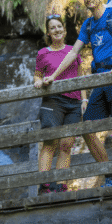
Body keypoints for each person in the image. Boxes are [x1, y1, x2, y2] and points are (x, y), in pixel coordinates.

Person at [43, 0, 112, 187]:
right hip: (99, 79)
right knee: (86, 128)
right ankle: (109, 172)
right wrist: (54, 75)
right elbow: (73, 53)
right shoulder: (88, 25)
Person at [33, 14, 88, 193]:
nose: (56, 30)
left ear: (64, 30)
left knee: (66, 144)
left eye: (59, 26)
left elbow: (80, 76)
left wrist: (84, 99)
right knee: (50, 141)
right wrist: (37, 82)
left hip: (74, 103)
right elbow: (37, 75)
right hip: (53, 101)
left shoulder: (73, 51)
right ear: (48, 33)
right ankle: (44, 184)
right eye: (52, 28)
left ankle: (60, 184)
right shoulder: (43, 53)